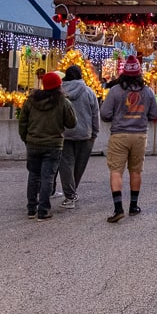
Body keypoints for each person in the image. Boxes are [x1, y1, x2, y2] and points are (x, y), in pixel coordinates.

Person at [99, 55, 157, 223]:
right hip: (140, 134)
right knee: (136, 170)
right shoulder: (148, 91)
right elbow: (155, 114)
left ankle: (118, 208)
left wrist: (117, 116)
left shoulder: (115, 91)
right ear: (139, 73)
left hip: (119, 134)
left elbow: (104, 113)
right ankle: (134, 206)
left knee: (116, 171)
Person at [17, 72, 77, 220]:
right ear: (59, 85)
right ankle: (43, 210)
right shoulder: (63, 101)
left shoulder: (31, 100)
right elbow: (72, 123)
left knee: (33, 175)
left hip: (33, 142)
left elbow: (22, 121)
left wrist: (26, 138)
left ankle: (31, 208)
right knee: (47, 177)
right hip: (53, 144)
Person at [56, 64, 100, 208]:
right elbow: (95, 114)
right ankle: (72, 191)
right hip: (85, 134)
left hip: (64, 134)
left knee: (66, 165)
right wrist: (94, 132)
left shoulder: (59, 93)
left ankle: (70, 195)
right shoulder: (89, 92)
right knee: (79, 165)